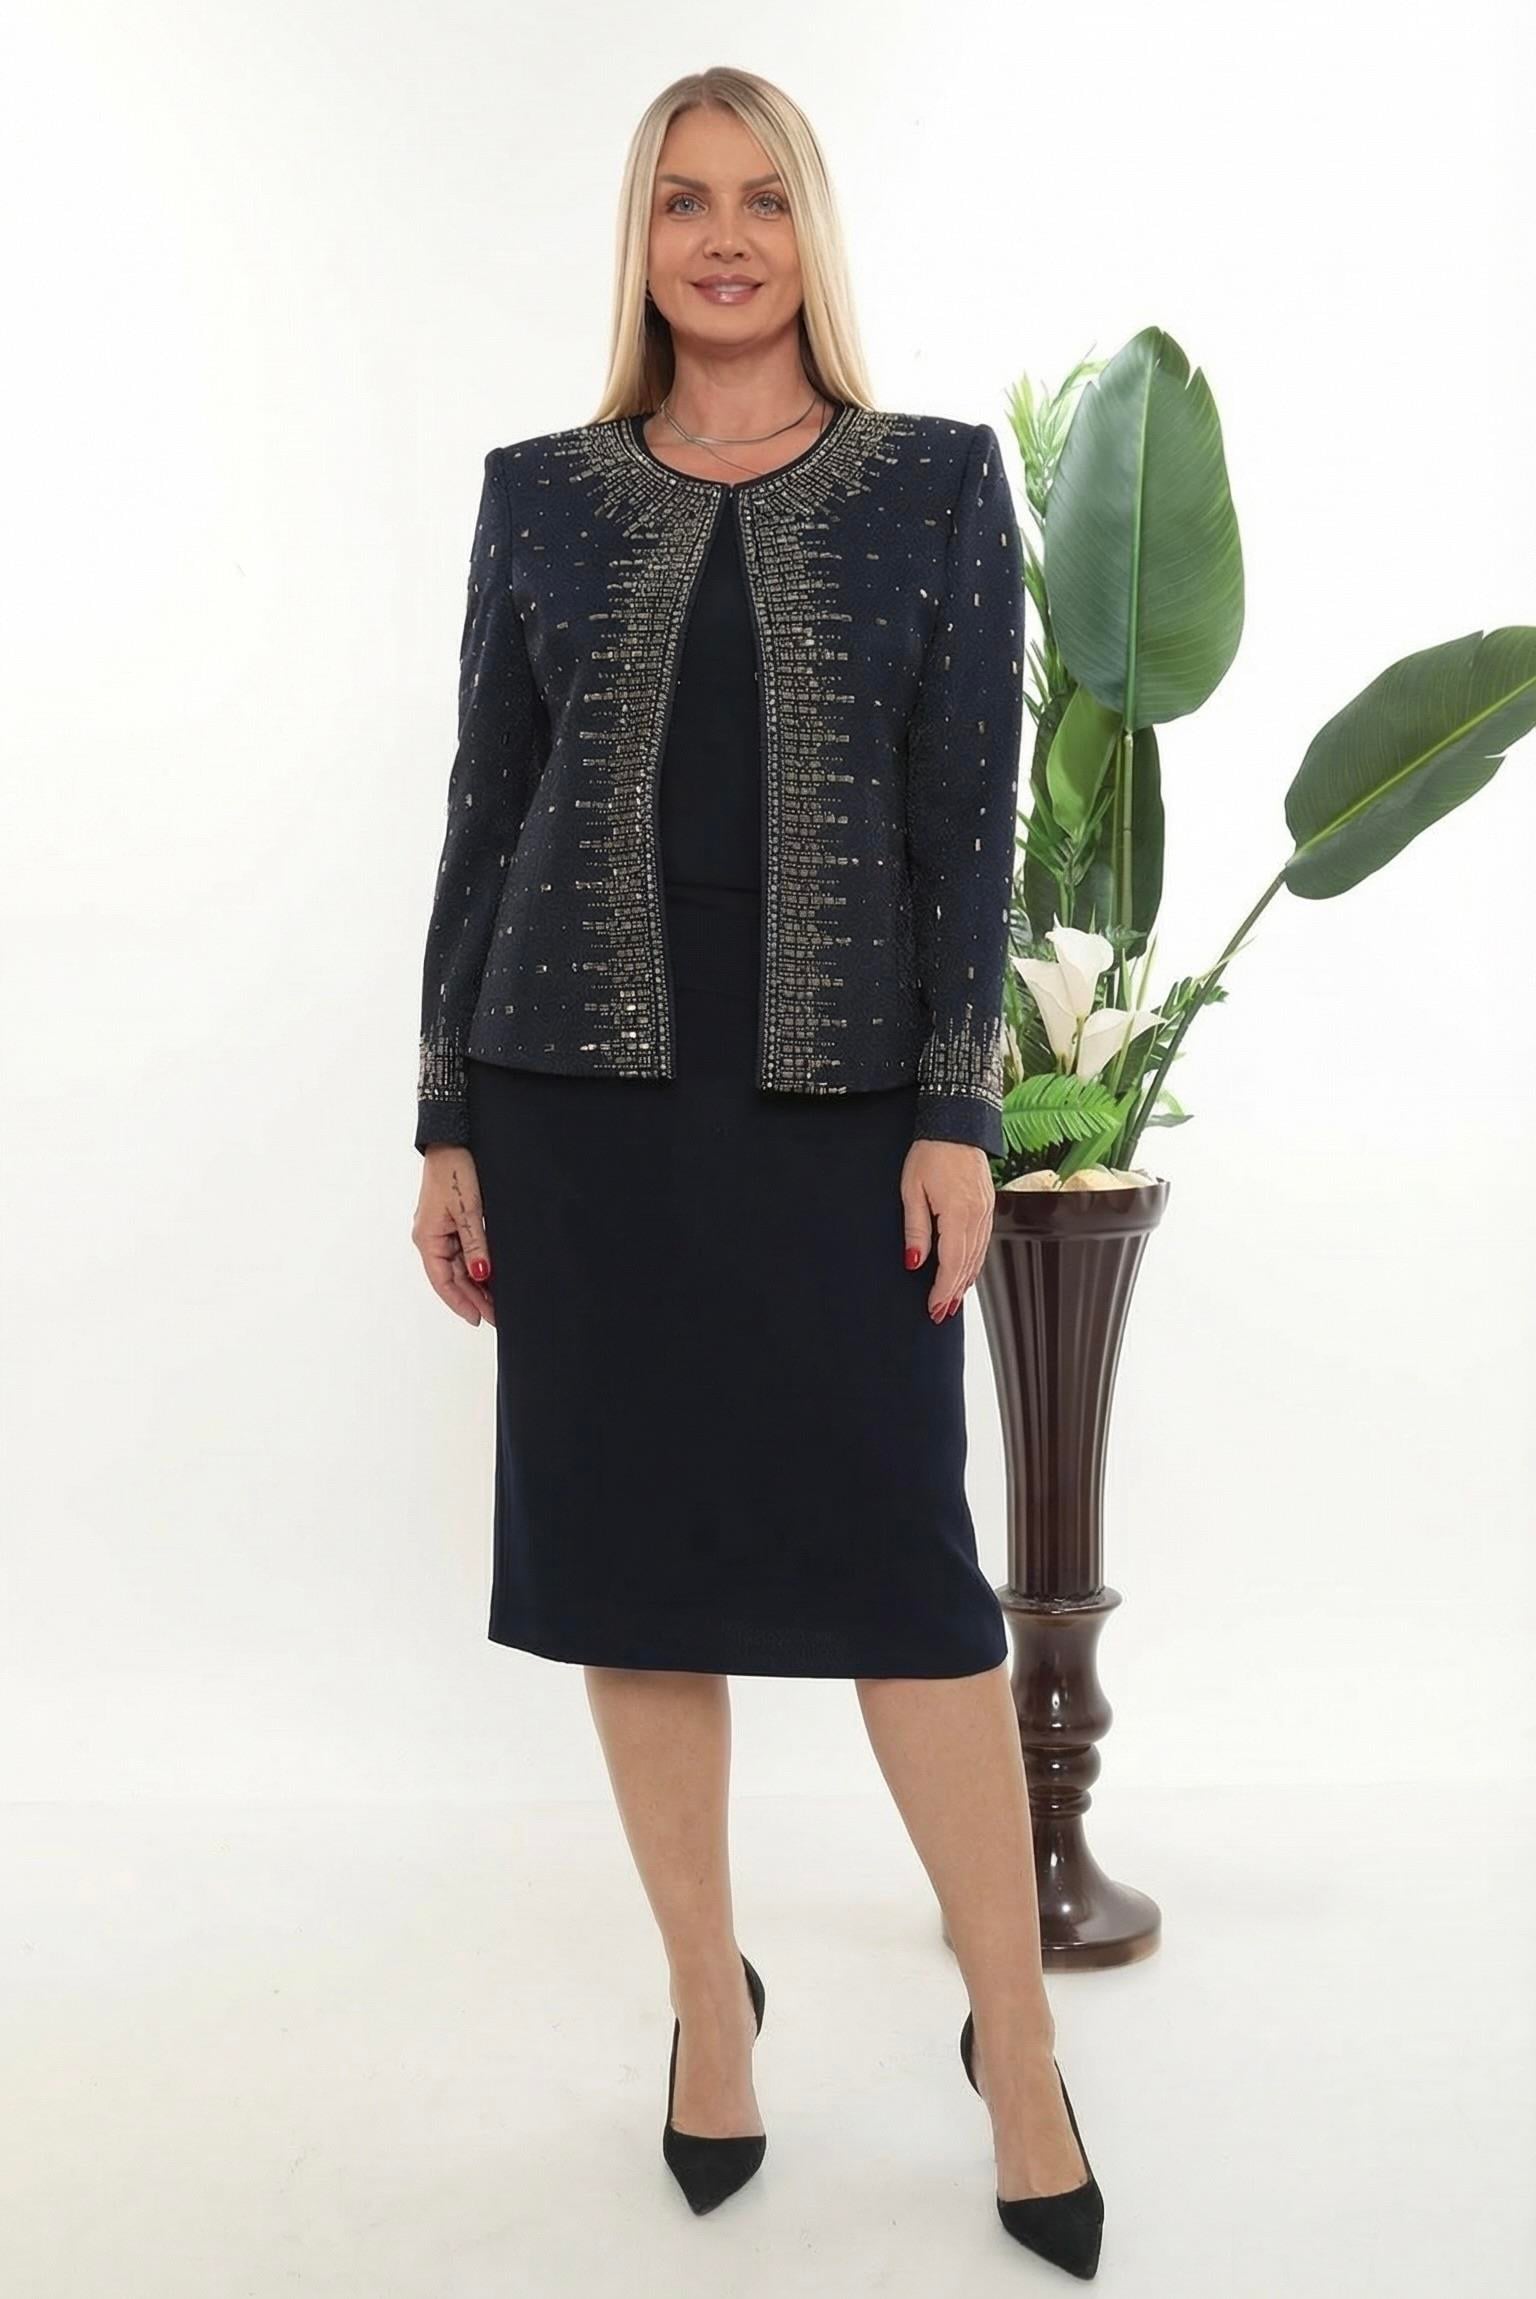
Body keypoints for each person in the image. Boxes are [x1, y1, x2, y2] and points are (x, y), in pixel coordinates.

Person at [409, 66, 1104, 2279]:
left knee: (910, 1581)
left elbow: (968, 824)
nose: (725, 240)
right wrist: (445, 1114)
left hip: (839, 1115)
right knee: (629, 1569)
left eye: (763, 202)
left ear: (812, 234)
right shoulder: (540, 494)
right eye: (685, 203)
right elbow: (485, 806)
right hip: (578, 1107)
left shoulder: (933, 485)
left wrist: (958, 1112)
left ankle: (1016, 2039)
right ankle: (712, 2005)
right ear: (641, 240)